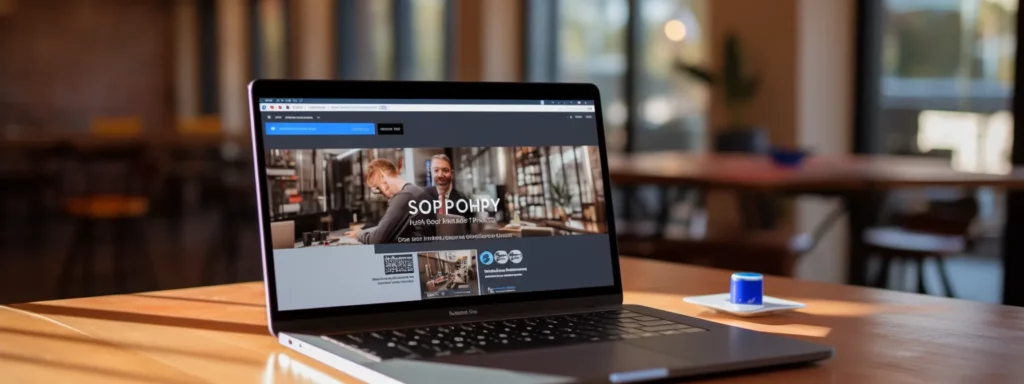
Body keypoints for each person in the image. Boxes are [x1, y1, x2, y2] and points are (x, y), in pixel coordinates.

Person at [345, 158, 435, 244]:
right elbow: (385, 228)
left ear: (383, 177)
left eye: (379, 189)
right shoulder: (414, 191)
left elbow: (377, 239)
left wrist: (359, 234)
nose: (382, 194)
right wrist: (363, 232)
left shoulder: (404, 196)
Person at [425, 154, 472, 234]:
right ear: (431, 173)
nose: (440, 175)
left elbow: (467, 233)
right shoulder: (422, 197)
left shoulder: (463, 201)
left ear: (452, 174)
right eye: (436, 170)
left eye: (445, 170)